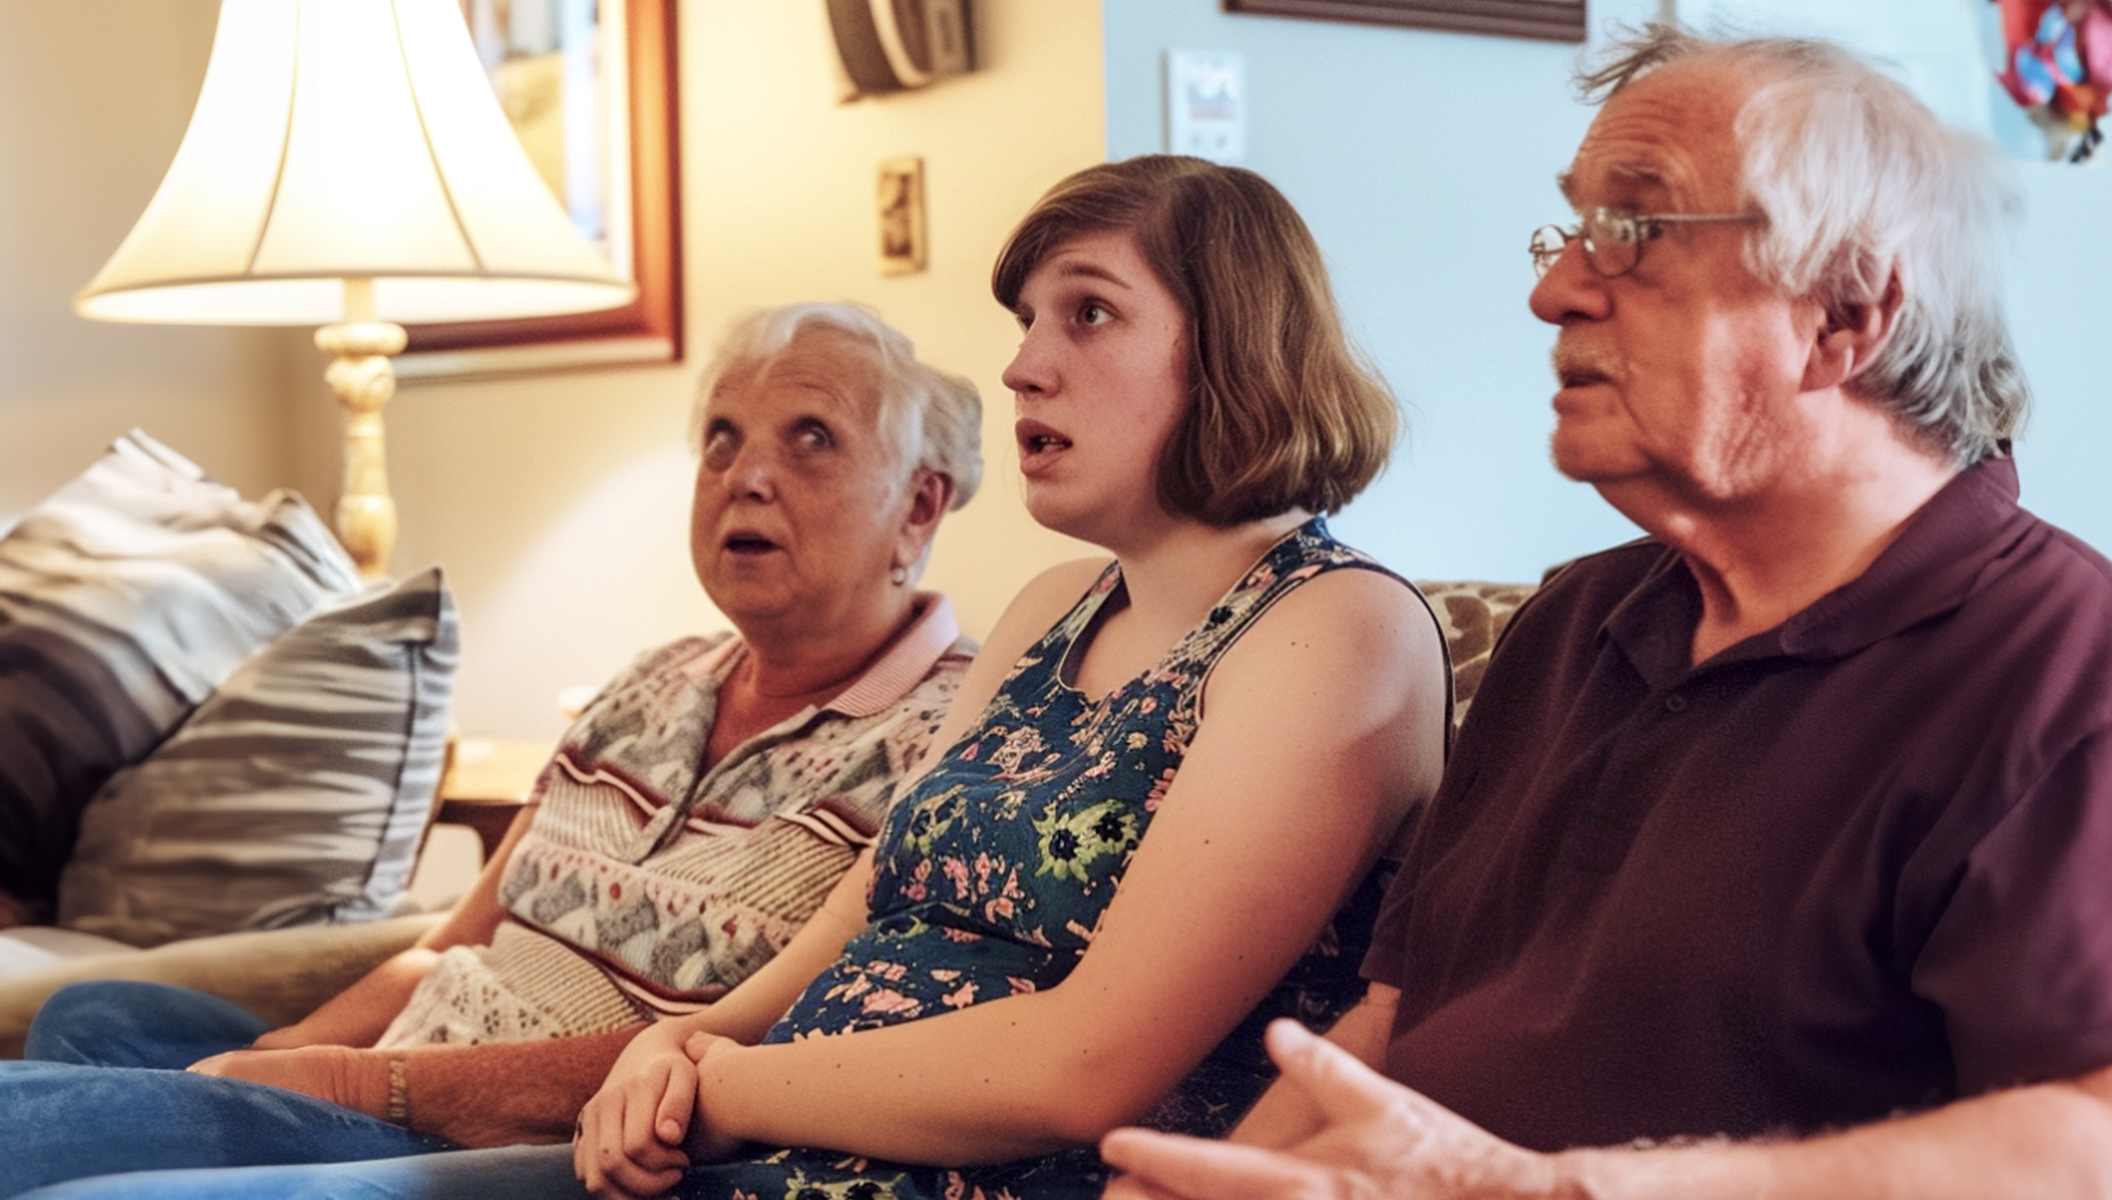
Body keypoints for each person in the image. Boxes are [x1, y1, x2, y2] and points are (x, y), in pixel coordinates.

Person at [20, 155, 1451, 1200]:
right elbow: (861, 911)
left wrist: (690, 1072)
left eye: (1085, 315)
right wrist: (700, 1045)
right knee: (92, 1063)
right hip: (735, 1128)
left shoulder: (1332, 627)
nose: (1023, 366)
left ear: (1239, 346)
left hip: (923, 1167)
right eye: (1025, 320)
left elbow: (1086, 1066)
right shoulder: (1056, 607)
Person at [1102, 25, 2112, 1200]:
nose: (1552, 289)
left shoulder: (2074, 677)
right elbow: (1392, 1031)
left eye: (1632, 232)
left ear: (1845, 315)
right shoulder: (1574, 626)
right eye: (1570, 228)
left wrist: (1567, 1191)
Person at [0, 302, 985, 1194]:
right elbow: (455, 942)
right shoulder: (654, 679)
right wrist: (290, 1055)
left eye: (811, 440)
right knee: (98, 1018)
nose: (747, 477)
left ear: (919, 508)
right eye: (722, 441)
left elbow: (768, 1052)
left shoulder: (950, 740)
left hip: (525, 1146)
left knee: (26, 1128)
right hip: (407, 1067)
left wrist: (350, 1083)